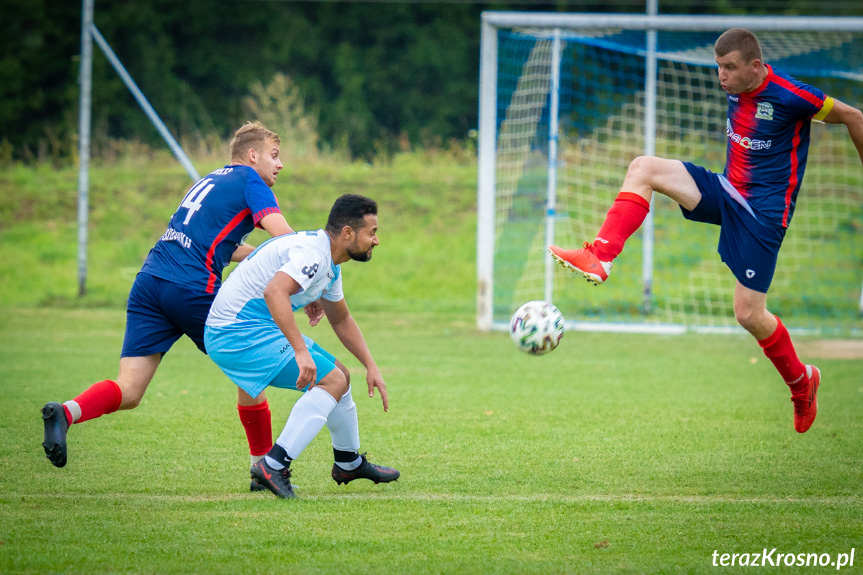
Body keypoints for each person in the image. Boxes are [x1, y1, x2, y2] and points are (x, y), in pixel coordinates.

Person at [548, 28, 863, 434]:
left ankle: (803, 383)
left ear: (755, 65)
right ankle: (601, 255)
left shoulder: (791, 95)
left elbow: (854, 116)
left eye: (730, 68)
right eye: (718, 67)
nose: (722, 76)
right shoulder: (735, 83)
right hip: (727, 190)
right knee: (643, 167)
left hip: (763, 216)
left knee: (748, 313)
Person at [41, 122, 322, 488]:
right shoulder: (250, 181)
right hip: (191, 287)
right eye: (274, 155)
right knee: (250, 363)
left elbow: (220, 243)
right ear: (252, 156)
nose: (280, 164)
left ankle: (66, 412)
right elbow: (286, 239)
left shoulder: (210, 181)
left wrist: (254, 258)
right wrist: (310, 287)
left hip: (149, 283)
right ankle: (263, 469)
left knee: (130, 390)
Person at [204, 194, 399, 499]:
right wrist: (300, 350)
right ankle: (273, 465)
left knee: (340, 376)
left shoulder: (329, 262)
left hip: (251, 328)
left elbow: (341, 318)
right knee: (330, 380)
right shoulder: (315, 254)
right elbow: (275, 292)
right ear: (347, 233)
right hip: (236, 332)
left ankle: (348, 462)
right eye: (372, 232)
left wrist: (370, 366)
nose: (376, 241)